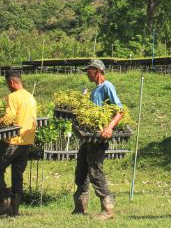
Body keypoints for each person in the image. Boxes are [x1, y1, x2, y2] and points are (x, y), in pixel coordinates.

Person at [0, 70, 37, 217]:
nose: (8, 87)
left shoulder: (13, 96)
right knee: (17, 174)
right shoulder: (30, 97)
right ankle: (15, 210)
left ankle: (5, 203)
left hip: (13, 141)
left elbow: (8, 118)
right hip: (27, 141)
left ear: (11, 82)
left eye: (7, 84)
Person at [72, 59, 123, 220]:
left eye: (89, 70)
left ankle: (107, 209)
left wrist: (109, 128)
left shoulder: (107, 86)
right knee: (81, 170)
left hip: (99, 138)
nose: (87, 73)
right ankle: (80, 207)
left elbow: (120, 110)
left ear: (98, 70)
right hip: (89, 137)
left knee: (95, 171)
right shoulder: (95, 90)